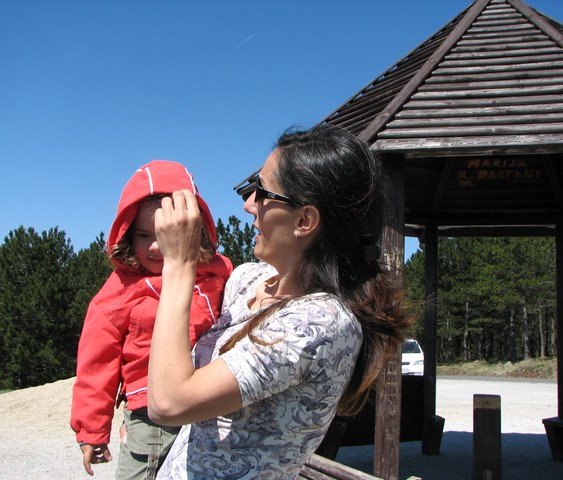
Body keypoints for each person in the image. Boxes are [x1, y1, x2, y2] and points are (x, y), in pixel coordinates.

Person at [147, 125, 413, 479]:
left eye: (261, 192)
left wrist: (179, 266)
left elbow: (168, 403)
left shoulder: (319, 324)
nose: (248, 205)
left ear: (304, 221)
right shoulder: (248, 281)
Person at [70, 160, 233, 479]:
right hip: (152, 414)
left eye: (165, 234)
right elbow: (97, 363)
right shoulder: (120, 289)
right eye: (144, 235)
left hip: (209, 405)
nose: (157, 247)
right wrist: (91, 430)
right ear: (127, 236)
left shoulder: (217, 270)